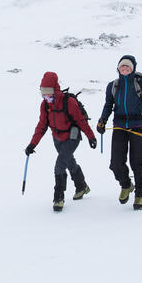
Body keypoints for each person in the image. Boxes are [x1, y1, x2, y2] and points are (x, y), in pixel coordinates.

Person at [95, 55, 142, 210]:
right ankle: (126, 185)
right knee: (115, 163)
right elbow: (108, 105)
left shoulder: (140, 83)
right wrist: (102, 120)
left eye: (128, 67)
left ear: (132, 69)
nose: (125, 69)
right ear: (118, 69)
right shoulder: (113, 86)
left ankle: (140, 192)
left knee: (138, 162)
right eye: (122, 67)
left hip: (138, 127)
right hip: (119, 127)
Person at [25, 71, 98, 212]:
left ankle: (58, 197)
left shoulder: (68, 102)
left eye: (48, 92)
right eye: (42, 93)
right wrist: (32, 144)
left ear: (55, 89)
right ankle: (82, 186)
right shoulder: (45, 105)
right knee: (69, 161)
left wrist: (91, 137)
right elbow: (41, 126)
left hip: (72, 137)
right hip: (57, 138)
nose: (46, 96)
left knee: (59, 165)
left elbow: (81, 121)